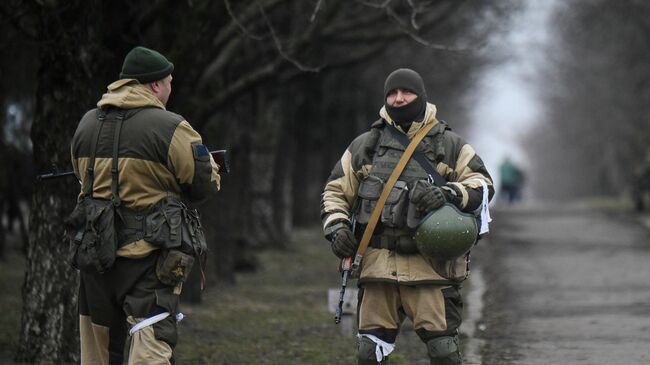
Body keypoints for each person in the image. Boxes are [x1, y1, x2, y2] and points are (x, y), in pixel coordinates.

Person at [320, 68, 494, 365]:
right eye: (392, 93)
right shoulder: (365, 146)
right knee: (368, 353)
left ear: (421, 96)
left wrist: (449, 193)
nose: (398, 99)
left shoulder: (450, 145)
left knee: (444, 352)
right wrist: (336, 228)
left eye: (406, 92)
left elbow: (482, 186)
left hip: (432, 268)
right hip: (377, 269)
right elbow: (335, 192)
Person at [69, 46, 220, 364]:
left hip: (95, 255)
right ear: (154, 85)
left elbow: (81, 180)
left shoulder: (85, 125)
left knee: (96, 351)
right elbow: (205, 183)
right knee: (151, 346)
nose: (170, 88)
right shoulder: (171, 127)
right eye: (168, 81)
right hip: (149, 259)